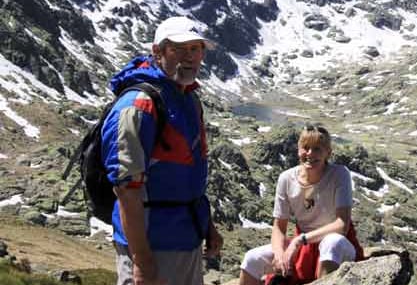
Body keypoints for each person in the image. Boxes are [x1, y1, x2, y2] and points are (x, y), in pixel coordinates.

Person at [102, 16, 223, 285]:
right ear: (157, 52)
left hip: (187, 239)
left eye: (195, 48)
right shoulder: (137, 106)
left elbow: (189, 177)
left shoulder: (188, 99)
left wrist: (208, 227)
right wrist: (143, 264)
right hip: (152, 248)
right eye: (179, 49)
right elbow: (126, 189)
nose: (189, 56)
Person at [239, 125, 363, 285]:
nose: (310, 154)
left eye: (317, 149)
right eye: (306, 148)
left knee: (332, 243)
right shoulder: (286, 178)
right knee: (251, 259)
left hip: (337, 244)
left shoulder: (339, 174)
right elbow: (279, 226)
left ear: (328, 153)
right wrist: (279, 256)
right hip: (303, 248)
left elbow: (342, 225)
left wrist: (298, 241)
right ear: (298, 150)